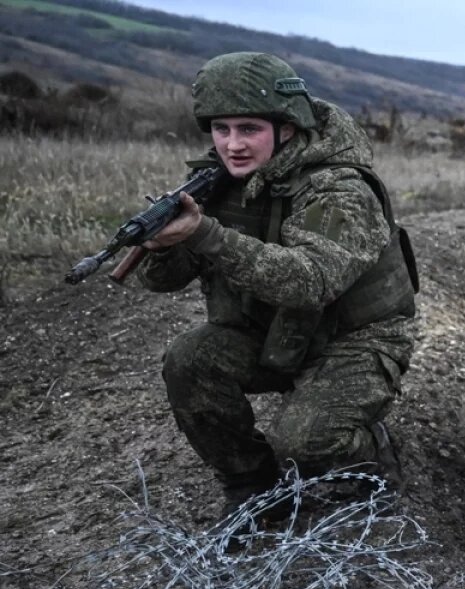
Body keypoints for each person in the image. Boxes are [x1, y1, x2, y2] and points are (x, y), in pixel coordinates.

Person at [138, 52, 419, 518]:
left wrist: (206, 235)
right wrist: (163, 245)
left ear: (285, 127)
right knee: (189, 361)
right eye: (221, 129)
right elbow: (164, 282)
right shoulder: (216, 183)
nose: (233, 144)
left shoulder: (339, 187)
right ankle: (253, 488)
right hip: (271, 330)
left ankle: (370, 464)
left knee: (306, 442)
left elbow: (311, 282)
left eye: (249, 129)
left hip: (350, 339)